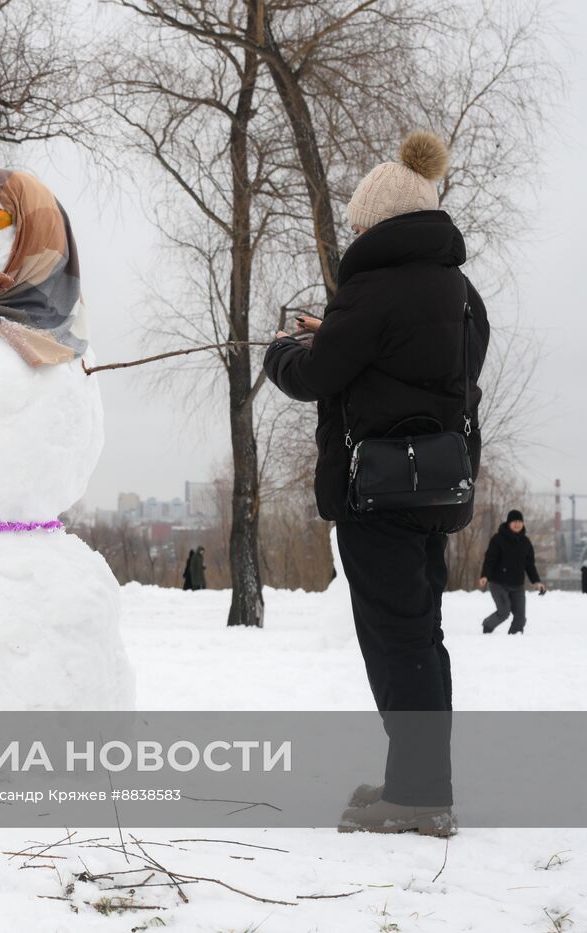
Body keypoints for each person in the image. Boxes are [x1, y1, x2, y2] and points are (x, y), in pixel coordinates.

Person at [263, 132, 489, 837]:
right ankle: (416, 781)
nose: (356, 232)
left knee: (396, 644)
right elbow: (424, 360)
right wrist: (335, 331)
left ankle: (419, 795)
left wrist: (283, 352)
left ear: (379, 220)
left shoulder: (373, 287)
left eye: (360, 222)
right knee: (422, 638)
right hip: (436, 489)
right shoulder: (458, 289)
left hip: (378, 492)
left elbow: (316, 375)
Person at [479, 509, 544, 634]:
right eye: (514, 521)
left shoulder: (526, 542)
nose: (517, 524)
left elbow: (530, 565)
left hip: (517, 585)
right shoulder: (498, 539)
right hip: (498, 583)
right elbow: (490, 559)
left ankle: (515, 640)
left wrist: (536, 581)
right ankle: (487, 625)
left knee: (520, 618)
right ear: (509, 523)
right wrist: (485, 575)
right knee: (504, 612)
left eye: (520, 521)